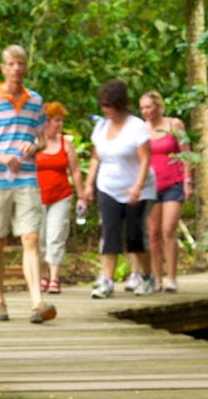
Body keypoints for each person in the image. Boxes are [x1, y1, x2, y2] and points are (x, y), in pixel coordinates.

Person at [0, 44, 57, 324]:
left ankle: (37, 302)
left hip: (27, 177)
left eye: (21, 63)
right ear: (3, 68)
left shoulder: (35, 101)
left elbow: (42, 139)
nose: (17, 68)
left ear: (24, 67)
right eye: (12, 64)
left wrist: (33, 145)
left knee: (30, 237)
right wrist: (0, 156)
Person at [81, 79, 157, 298]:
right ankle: (107, 280)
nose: (105, 110)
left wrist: (137, 187)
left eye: (109, 106)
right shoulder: (101, 126)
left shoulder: (136, 127)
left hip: (136, 189)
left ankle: (146, 276)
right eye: (102, 105)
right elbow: (95, 158)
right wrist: (88, 186)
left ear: (120, 104)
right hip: (108, 186)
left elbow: (144, 160)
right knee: (110, 233)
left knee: (134, 237)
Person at [139, 91, 192, 293]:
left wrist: (187, 181)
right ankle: (157, 278)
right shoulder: (141, 129)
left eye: (149, 107)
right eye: (142, 108)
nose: (146, 112)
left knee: (168, 230)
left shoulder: (174, 125)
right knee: (153, 234)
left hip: (174, 182)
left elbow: (186, 153)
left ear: (158, 107)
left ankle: (171, 277)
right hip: (150, 186)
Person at [34, 101, 84, 295]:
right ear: (45, 121)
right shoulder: (35, 142)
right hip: (37, 197)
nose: (59, 124)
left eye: (61, 121)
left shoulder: (66, 143)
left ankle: (54, 278)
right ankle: (43, 275)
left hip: (61, 196)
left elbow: (76, 171)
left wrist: (81, 197)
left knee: (56, 236)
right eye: (56, 120)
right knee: (39, 238)